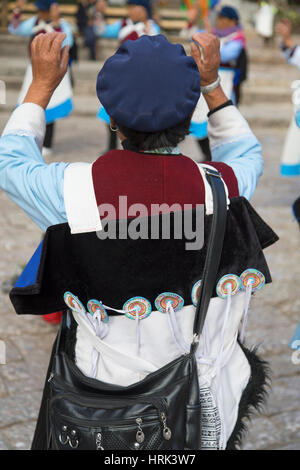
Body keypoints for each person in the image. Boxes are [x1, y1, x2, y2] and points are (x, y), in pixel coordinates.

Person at [0, 31, 278, 450]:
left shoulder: (72, 193)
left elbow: (10, 161)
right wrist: (213, 86)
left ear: (111, 119)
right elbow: (245, 150)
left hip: (99, 410)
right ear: (189, 121)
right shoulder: (223, 187)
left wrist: (40, 86)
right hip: (204, 405)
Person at [8, 0, 74, 156]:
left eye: (44, 10)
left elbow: (68, 42)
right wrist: (17, 10)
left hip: (53, 68)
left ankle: (47, 143)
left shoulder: (64, 25)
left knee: (51, 103)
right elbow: (15, 29)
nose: (41, 13)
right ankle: (30, 140)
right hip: (34, 68)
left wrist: (56, 23)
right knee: (29, 102)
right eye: (40, 10)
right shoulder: (34, 22)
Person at [96, 0, 160, 151]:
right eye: (130, 7)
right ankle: (111, 148)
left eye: (134, 7)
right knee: (111, 112)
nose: (131, 11)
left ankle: (137, 148)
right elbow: (101, 31)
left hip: (141, 77)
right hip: (121, 75)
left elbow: (157, 46)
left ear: (144, 9)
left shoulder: (151, 27)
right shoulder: (122, 24)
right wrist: (100, 13)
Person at [190, 5, 248, 160]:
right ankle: (207, 154)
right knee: (199, 119)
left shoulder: (237, 38)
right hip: (205, 80)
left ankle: (221, 156)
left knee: (222, 117)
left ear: (232, 21)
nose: (219, 21)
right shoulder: (215, 35)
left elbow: (227, 54)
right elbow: (196, 38)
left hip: (225, 83)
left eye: (222, 18)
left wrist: (208, 45)